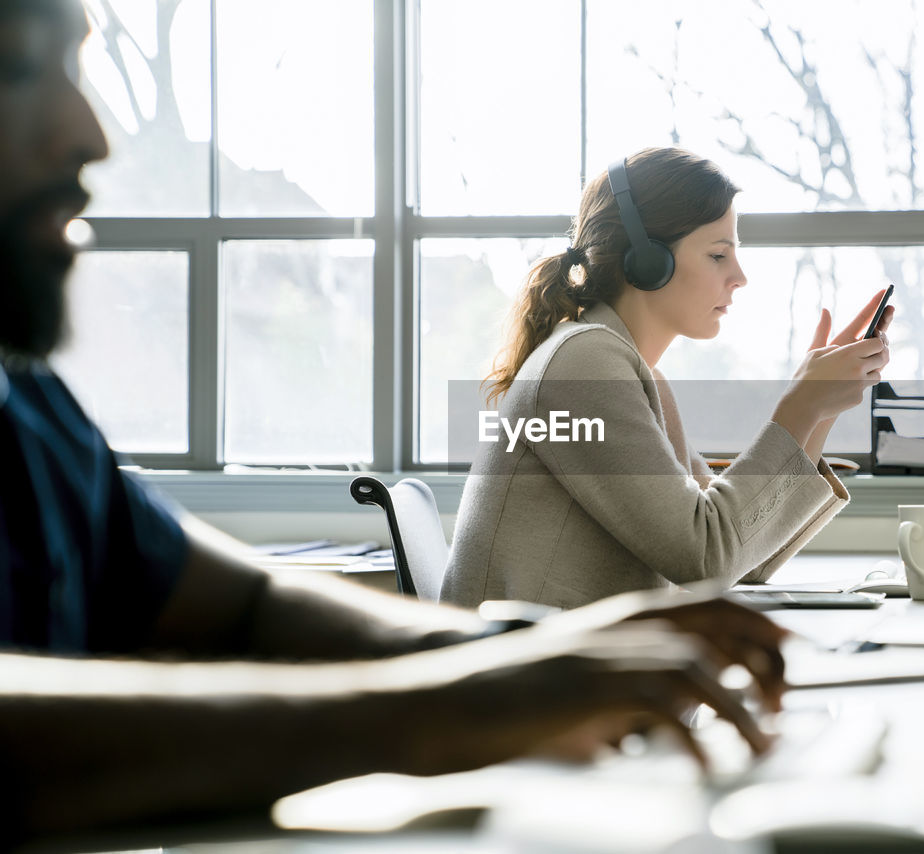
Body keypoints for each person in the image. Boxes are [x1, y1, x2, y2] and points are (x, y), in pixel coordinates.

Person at [0, 0, 789, 840]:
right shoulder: (589, 361)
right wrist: (445, 706)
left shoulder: (33, 410)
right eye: (15, 65)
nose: (93, 133)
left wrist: (514, 659)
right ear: (651, 256)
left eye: (74, 70)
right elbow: (703, 548)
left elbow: (251, 602)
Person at [442, 147, 894, 609]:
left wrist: (820, 408)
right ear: (647, 261)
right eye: (718, 255)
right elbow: (706, 558)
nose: (739, 276)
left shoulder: (635, 375)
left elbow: (743, 554)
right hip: (530, 672)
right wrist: (802, 406)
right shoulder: (584, 364)